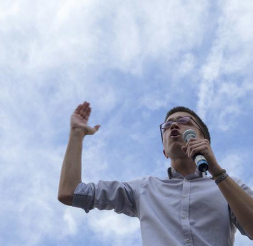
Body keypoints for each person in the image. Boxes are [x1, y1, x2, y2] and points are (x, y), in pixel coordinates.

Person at [58, 101, 253, 246]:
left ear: (204, 141)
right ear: (165, 152)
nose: (174, 126)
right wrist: (76, 134)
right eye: (167, 125)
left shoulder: (229, 188)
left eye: (184, 121)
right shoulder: (143, 189)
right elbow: (71, 193)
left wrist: (217, 172)